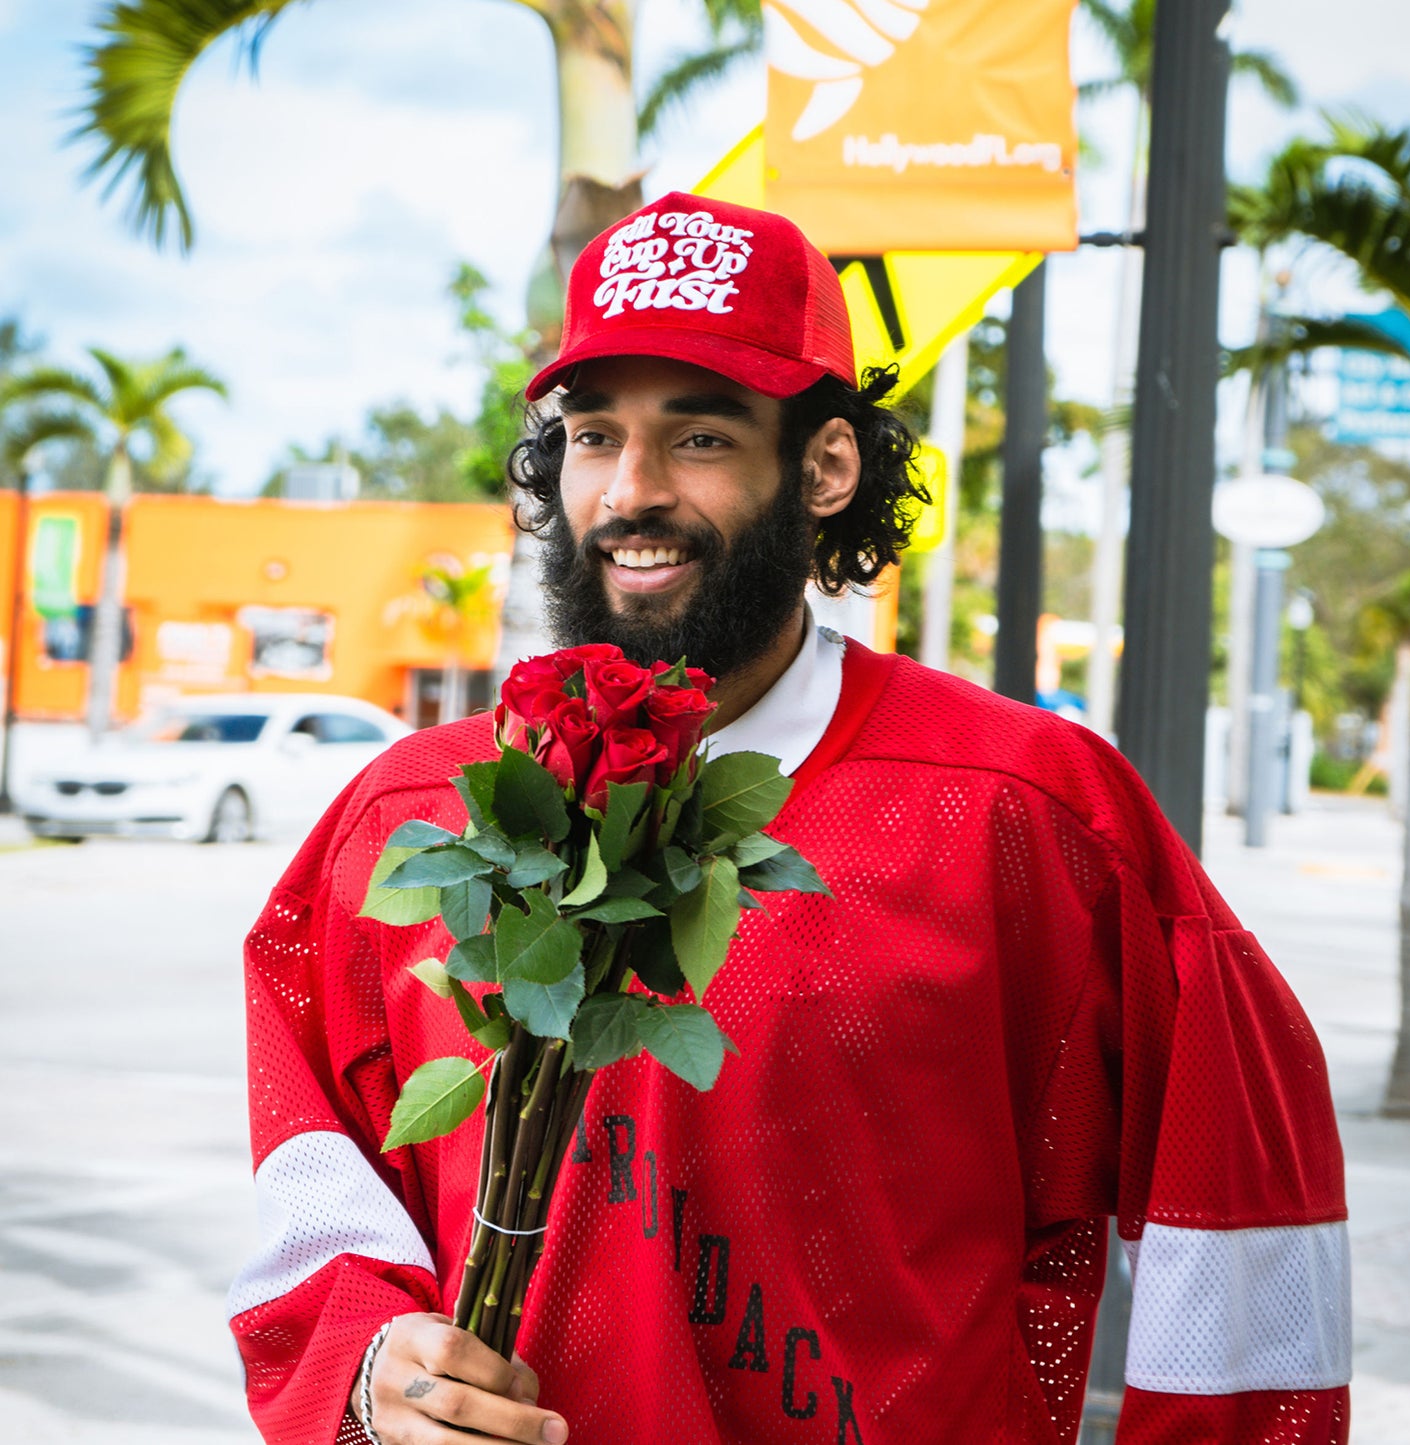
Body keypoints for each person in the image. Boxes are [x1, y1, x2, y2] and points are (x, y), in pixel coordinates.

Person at [228, 192, 1350, 1445]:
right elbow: (315, 1169)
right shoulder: (414, 810)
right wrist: (373, 1368)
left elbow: (1241, 1208)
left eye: (698, 436)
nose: (628, 492)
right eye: (594, 435)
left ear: (822, 465)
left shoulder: (1030, 810)